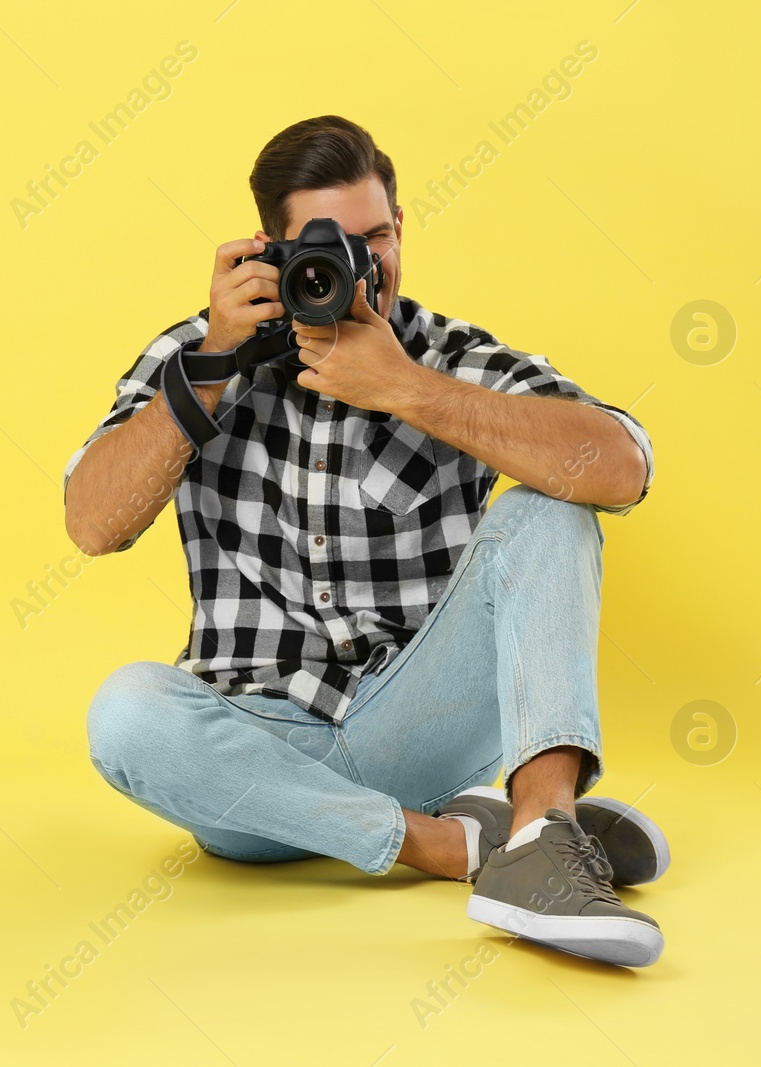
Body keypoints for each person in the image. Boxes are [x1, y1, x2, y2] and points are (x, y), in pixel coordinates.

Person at [62, 115, 669, 968]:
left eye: (376, 237)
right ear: (271, 250)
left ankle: (539, 832)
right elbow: (93, 522)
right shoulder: (199, 353)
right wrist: (212, 365)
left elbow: (621, 466)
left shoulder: (443, 353)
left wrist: (412, 389)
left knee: (551, 507)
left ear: (399, 228)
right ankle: (456, 842)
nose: (359, 266)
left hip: (418, 713)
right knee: (127, 712)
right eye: (328, 246)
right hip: (258, 755)